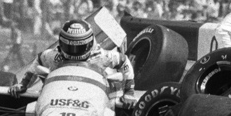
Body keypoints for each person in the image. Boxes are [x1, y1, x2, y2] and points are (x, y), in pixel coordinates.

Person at [8, 19, 136, 109]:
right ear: (62, 43)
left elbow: (124, 61)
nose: (74, 51)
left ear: (89, 43)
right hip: (58, 97)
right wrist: (23, 84)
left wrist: (129, 92)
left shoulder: (101, 56)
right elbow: (38, 62)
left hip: (91, 98)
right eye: (70, 46)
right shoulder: (54, 55)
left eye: (78, 47)